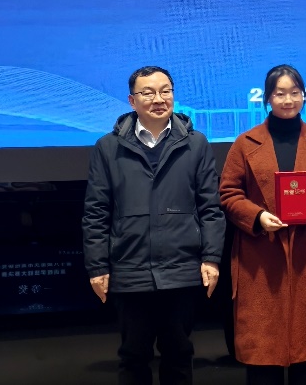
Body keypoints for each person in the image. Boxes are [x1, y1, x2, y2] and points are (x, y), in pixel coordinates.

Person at [82, 66, 225, 385]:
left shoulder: (196, 143)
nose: (159, 99)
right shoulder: (108, 147)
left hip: (181, 268)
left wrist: (211, 258)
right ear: (132, 101)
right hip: (129, 269)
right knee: (133, 357)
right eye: (148, 93)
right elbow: (96, 212)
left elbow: (210, 208)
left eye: (165, 91)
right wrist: (97, 267)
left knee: (179, 355)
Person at [220, 65, 306, 385]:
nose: (288, 100)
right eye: (280, 93)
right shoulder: (245, 142)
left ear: (305, 96)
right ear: (267, 98)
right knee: (263, 352)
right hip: (262, 254)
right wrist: (257, 217)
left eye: (295, 93)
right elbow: (228, 194)